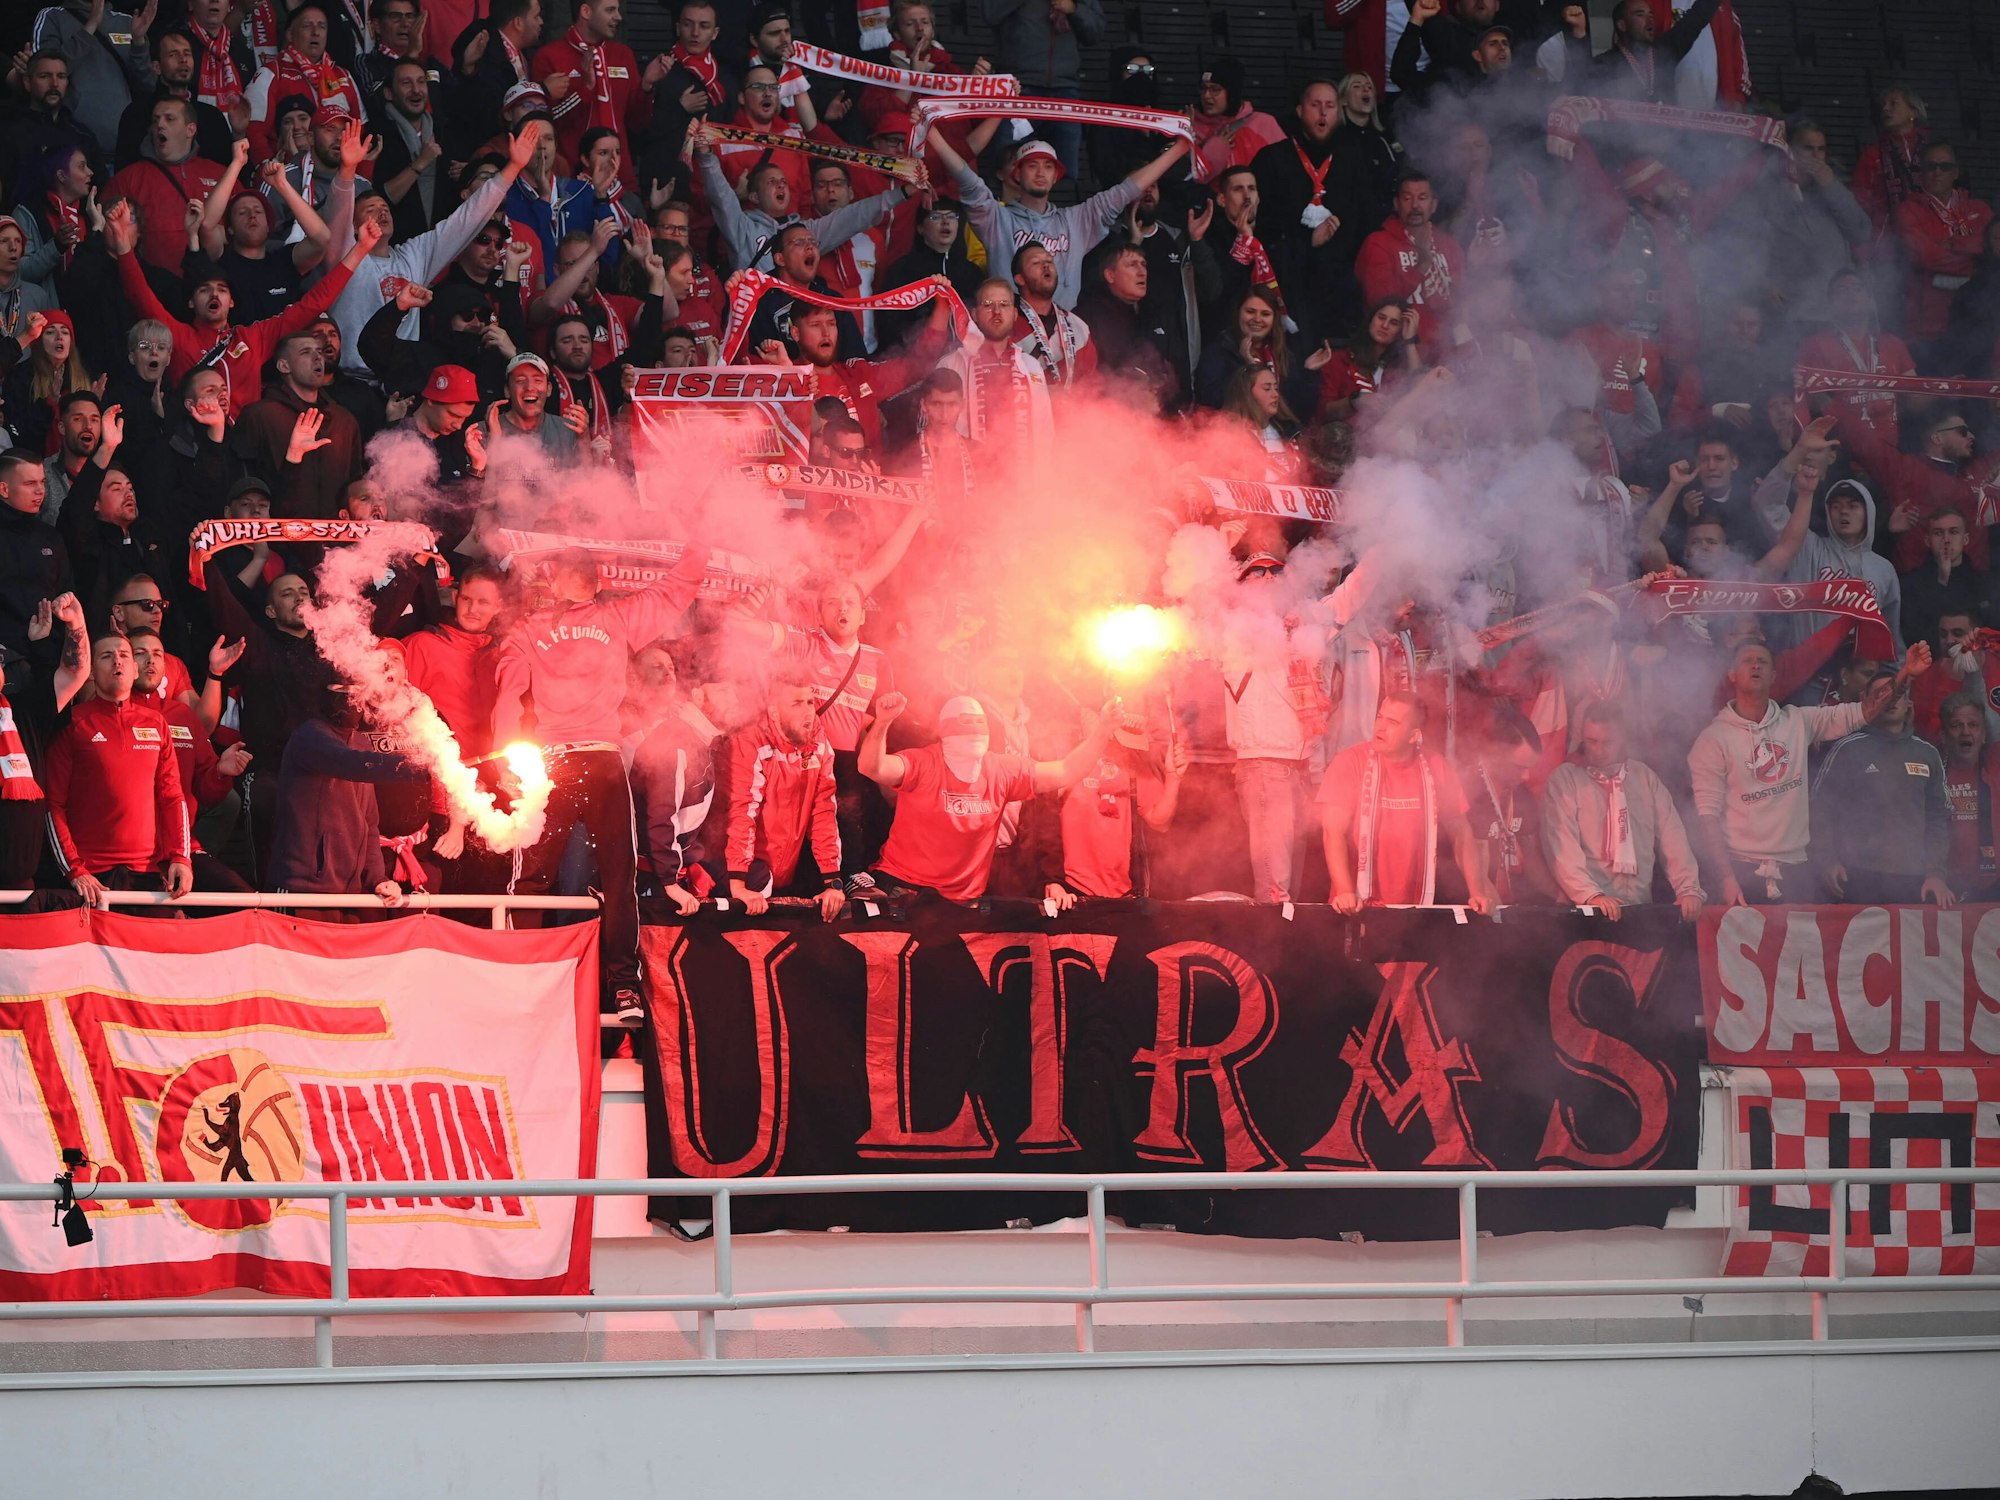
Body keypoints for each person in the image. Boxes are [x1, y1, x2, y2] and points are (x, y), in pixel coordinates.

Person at [491, 544, 711, 1025]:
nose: (579, 578)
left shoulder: (572, 624)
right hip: (576, 760)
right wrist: (509, 751)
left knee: (573, 875)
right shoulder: (576, 623)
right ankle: (578, 979)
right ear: (572, 579)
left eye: (586, 570)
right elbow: (677, 589)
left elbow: (508, 694)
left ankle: (577, 978)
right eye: (578, 572)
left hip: (577, 762)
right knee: (574, 877)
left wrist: (505, 754)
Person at [1688, 637, 1929, 905]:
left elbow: (1865, 711)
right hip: (1742, 870)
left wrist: (1905, 674)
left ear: (1774, 675)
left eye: (1763, 661)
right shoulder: (1712, 739)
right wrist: (1725, 878)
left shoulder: (1799, 721)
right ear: (1732, 674)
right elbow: (1707, 817)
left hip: (1798, 871)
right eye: (1747, 660)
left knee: (1800, 949)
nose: (1755, 665)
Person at [104, 201, 380, 416]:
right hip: (195, 446)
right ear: (191, 303)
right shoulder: (179, 336)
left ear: (232, 302)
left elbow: (314, 303)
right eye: (204, 290)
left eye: (222, 290)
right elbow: (140, 296)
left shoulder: (253, 337)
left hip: (245, 449)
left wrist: (361, 249)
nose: (214, 294)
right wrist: (123, 244)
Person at [858, 688, 1121, 903]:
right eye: (964, 722)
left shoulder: (1001, 769)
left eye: (978, 722)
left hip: (963, 900)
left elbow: (1065, 771)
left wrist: (1104, 730)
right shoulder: (924, 762)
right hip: (905, 888)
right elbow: (872, 767)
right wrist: (883, 722)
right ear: (944, 729)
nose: (972, 729)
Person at [930, 131, 1191, 311]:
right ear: (1017, 175)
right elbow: (968, 181)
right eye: (1032, 166)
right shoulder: (997, 219)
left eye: (1048, 166)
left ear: (1057, 176)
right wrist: (932, 135)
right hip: (1011, 338)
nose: (1041, 172)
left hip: (1064, 339)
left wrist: (1179, 149)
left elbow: (1125, 191)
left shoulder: (1075, 221)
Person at [44, 633, 193, 907]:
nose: (117, 662)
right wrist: (74, 870)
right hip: (91, 878)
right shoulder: (73, 723)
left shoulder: (157, 723)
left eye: (124, 655)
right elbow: (53, 805)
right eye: (106, 656)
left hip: (147, 874)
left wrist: (181, 858)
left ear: (135, 669)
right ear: (90, 672)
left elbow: (172, 797)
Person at [1320, 691, 1493, 914]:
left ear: (1414, 736)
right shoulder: (1349, 762)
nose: (1380, 727)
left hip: (1416, 908)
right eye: (1379, 717)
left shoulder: (1436, 767)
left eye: (1392, 722)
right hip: (1356, 907)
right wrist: (1344, 891)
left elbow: (1461, 832)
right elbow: (1332, 831)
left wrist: (1477, 891)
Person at [1542, 699, 1704, 920]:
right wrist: (1591, 895)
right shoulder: (1566, 780)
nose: (1599, 750)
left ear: (1623, 737)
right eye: (1592, 741)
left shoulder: (1643, 778)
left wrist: (1688, 888)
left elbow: (1672, 837)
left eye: (1608, 742)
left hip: (1640, 908)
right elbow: (1561, 848)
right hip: (1587, 911)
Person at [1810, 666, 1953, 907]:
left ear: (1909, 703)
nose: (1891, 698)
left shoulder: (1927, 753)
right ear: (1865, 701)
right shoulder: (1847, 749)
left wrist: (1936, 875)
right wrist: (1827, 860)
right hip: (1856, 875)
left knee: (1910, 946)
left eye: (1898, 693)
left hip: (1914, 879)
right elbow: (1819, 809)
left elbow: (1939, 820)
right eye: (1881, 693)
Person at [718, 670, 846, 919]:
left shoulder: (819, 744)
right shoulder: (750, 741)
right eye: (797, 703)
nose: (808, 710)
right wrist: (739, 884)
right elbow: (742, 812)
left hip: (787, 871)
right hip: (747, 871)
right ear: (774, 712)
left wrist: (832, 882)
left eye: (810, 702)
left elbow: (823, 813)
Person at [979, 0, 1105, 177]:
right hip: (1019, 88)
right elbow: (990, 13)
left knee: (1064, 172)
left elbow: (1095, 32)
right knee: (1011, 170)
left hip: (1065, 90)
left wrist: (1074, 9)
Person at [1893, 140, 1994, 348]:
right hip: (1928, 328)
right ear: (1921, 172)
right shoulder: (1908, 210)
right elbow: (1924, 256)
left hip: (1978, 322)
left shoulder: (1980, 209)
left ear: (1956, 172)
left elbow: (1992, 252)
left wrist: (1951, 244)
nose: (1937, 172)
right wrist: (1974, 263)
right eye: (1931, 166)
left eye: (1945, 166)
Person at [1357, 172, 1463, 364]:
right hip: (1398, 357)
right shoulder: (1379, 243)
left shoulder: (1449, 246)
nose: (1415, 205)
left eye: (1422, 198)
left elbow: (1463, 303)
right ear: (1396, 204)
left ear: (1434, 204)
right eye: (1407, 198)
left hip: (1448, 356)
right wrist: (1419, 270)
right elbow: (1379, 304)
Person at [1900, 508, 1994, 657]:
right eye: (1938, 533)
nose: (1946, 539)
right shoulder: (1910, 584)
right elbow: (1914, 637)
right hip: (1930, 671)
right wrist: (1941, 583)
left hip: (1979, 668)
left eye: (1954, 532)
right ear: (1927, 540)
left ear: (1965, 539)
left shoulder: (1985, 583)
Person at [1938, 691, 2000, 900]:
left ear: (1983, 735)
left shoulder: (1996, 764)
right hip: (1944, 888)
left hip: (1994, 888)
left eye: (1973, 725)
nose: (1966, 732)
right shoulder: (1931, 772)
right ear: (1944, 736)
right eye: (1956, 725)